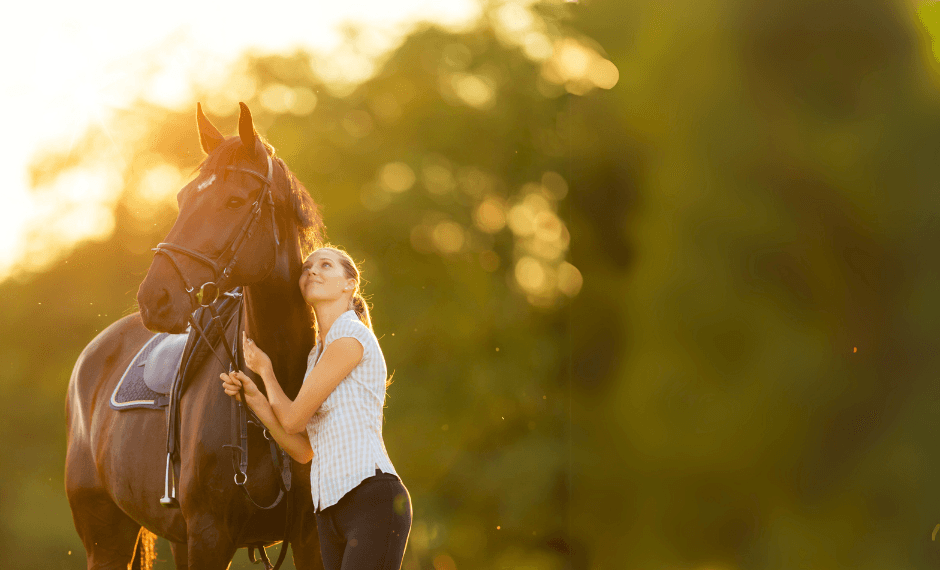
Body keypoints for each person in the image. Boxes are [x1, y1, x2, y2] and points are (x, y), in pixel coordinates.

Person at [220, 245, 412, 570]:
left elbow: (294, 419)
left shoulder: (351, 337)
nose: (312, 271)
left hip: (371, 499)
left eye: (325, 265)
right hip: (328, 510)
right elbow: (302, 450)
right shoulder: (315, 357)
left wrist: (266, 372)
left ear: (349, 284)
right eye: (307, 267)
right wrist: (254, 398)